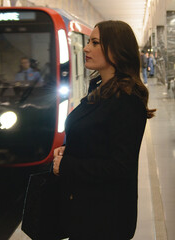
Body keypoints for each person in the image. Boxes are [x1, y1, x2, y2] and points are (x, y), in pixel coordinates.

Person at [52, 20, 156, 240]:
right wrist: (67, 149)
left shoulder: (127, 101)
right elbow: (96, 139)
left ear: (117, 51)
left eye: (95, 43)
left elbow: (119, 166)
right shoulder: (100, 89)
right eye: (89, 42)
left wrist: (67, 164)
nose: (86, 48)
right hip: (84, 210)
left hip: (104, 219)